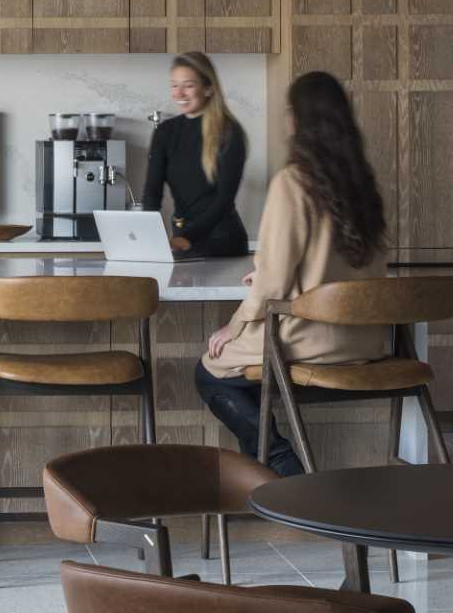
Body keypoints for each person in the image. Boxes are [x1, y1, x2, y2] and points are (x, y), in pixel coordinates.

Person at [195, 71, 392, 477]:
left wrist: (232, 327)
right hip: (364, 342)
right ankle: (272, 468)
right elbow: (341, 267)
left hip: (308, 339)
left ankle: (284, 466)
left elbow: (273, 285)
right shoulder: (363, 184)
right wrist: (272, 274)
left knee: (210, 371)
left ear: (298, 121)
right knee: (244, 374)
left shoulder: (293, 181)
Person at [142, 51, 249, 258]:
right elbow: (152, 193)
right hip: (182, 237)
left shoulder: (228, 132)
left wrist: (187, 237)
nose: (179, 94)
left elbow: (223, 200)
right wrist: (149, 236)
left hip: (222, 241)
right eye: (174, 85)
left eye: (188, 85)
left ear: (208, 88)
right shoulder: (165, 132)